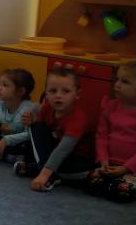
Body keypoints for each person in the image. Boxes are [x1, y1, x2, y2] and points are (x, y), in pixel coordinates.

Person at [14, 67, 94, 192]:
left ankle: (41, 170)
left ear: (77, 94)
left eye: (66, 91)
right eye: (53, 91)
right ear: (46, 93)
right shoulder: (46, 109)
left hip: (76, 158)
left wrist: (43, 175)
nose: (58, 96)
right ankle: (48, 172)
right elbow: (38, 139)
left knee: (84, 172)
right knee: (35, 129)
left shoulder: (78, 118)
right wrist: (29, 124)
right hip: (53, 154)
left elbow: (63, 150)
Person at [86, 61, 136, 202]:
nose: (117, 85)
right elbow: (101, 136)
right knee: (91, 183)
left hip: (131, 168)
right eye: (117, 79)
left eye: (125, 82)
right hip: (109, 164)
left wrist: (126, 168)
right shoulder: (111, 106)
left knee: (122, 192)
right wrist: (103, 160)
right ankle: (109, 183)